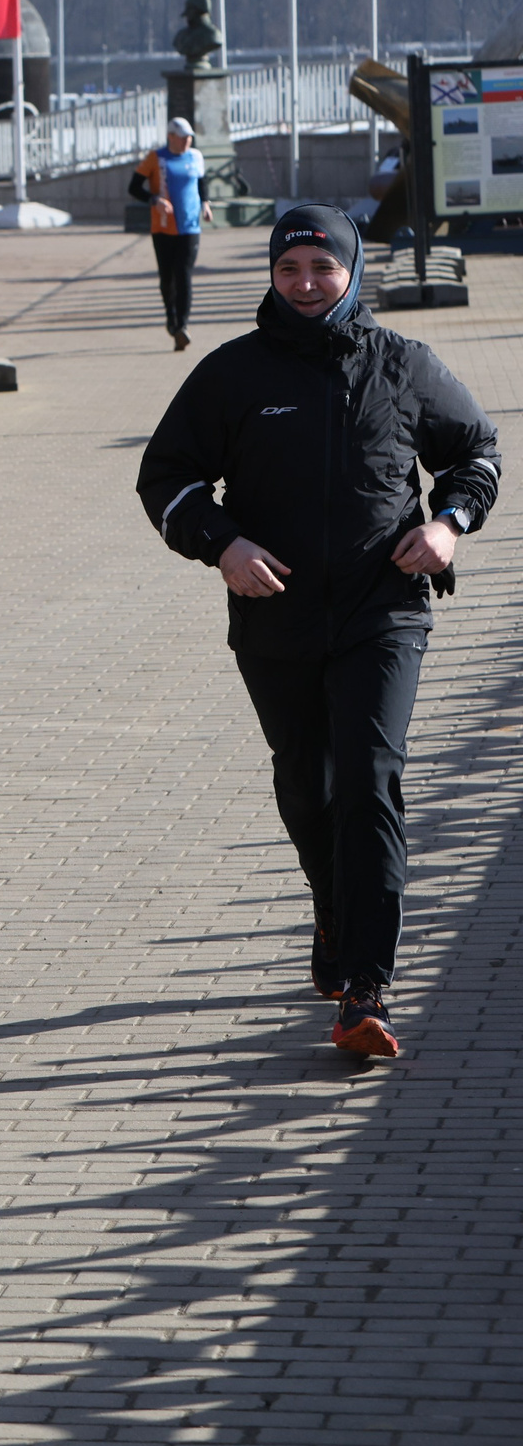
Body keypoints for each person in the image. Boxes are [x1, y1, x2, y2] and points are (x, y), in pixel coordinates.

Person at [137, 205, 500, 1059]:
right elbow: (165, 478)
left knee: (370, 780)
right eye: (290, 269)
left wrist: (448, 522)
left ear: (352, 272)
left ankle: (366, 989)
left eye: (322, 269)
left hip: (385, 609)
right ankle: (334, 913)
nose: (306, 284)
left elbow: (476, 451)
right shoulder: (232, 374)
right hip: (277, 614)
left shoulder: (404, 366)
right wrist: (222, 544)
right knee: (309, 786)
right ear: (272, 274)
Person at [132, 116, 212, 350]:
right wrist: (154, 199)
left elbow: (201, 183)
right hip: (163, 227)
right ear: (171, 137)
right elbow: (134, 187)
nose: (187, 141)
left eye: (189, 138)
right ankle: (171, 317)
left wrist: (205, 204)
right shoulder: (156, 158)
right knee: (167, 277)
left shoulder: (196, 156)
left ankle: (182, 326)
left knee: (184, 274)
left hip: (190, 227)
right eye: (183, 138)